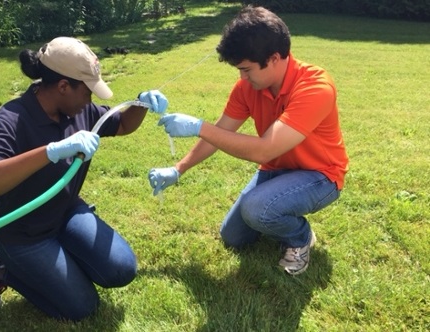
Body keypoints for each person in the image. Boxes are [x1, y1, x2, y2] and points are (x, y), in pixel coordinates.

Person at [0, 36, 168, 320]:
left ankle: (60, 259)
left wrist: (141, 104)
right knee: (82, 308)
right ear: (63, 86)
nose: (91, 101)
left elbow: (122, 124)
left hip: (65, 213)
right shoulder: (11, 119)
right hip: (23, 235)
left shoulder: (79, 109)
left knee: (121, 268)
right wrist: (49, 152)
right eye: (87, 93)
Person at [148, 6, 348, 275]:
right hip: (277, 171)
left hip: (320, 175)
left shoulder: (315, 87)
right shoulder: (248, 87)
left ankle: (300, 237)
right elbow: (220, 133)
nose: (242, 77)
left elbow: (265, 150)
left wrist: (198, 126)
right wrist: (178, 169)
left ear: (274, 58)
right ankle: (278, 213)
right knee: (233, 236)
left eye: (246, 69)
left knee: (258, 209)